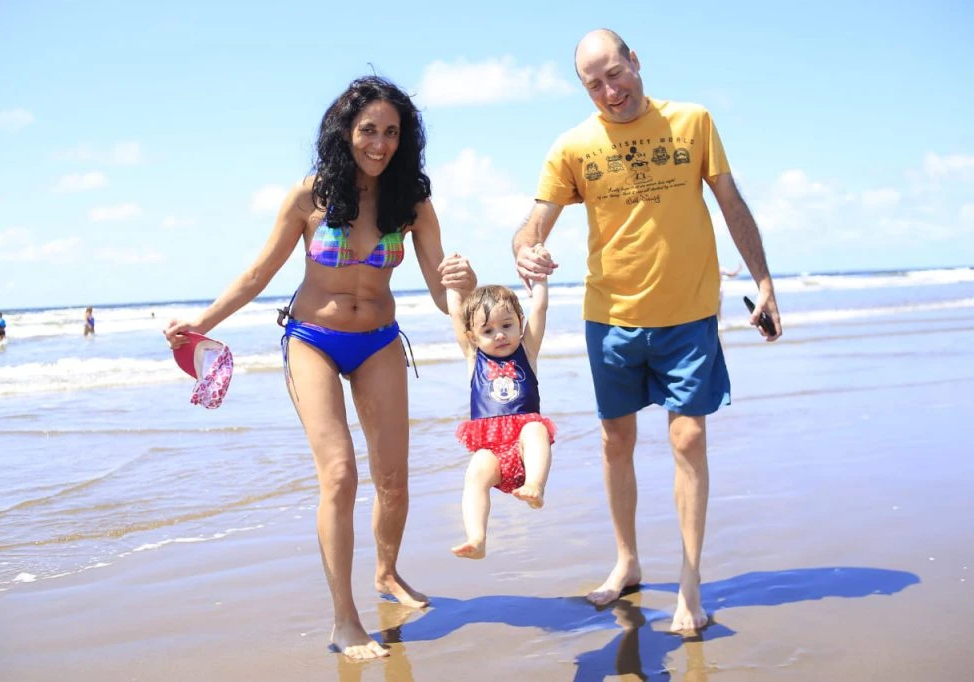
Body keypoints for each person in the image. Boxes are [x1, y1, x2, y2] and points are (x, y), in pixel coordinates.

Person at [163, 76, 476, 660]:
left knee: (394, 484)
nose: (379, 144)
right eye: (368, 131)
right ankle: (344, 620)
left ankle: (386, 573)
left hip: (380, 341)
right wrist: (200, 323)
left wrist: (466, 285)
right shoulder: (310, 196)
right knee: (338, 475)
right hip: (312, 340)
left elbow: (443, 293)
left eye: (390, 132)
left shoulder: (412, 201)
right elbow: (257, 276)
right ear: (344, 132)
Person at [513, 29, 782, 633]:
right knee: (616, 442)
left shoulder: (693, 123)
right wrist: (527, 251)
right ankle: (627, 560)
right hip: (610, 319)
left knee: (687, 439)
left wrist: (764, 281)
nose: (611, 90)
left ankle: (689, 585)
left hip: (688, 315)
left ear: (636, 61)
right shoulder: (573, 146)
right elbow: (531, 228)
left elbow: (731, 204)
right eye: (595, 83)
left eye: (616, 72)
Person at [447, 273, 556, 559]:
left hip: (525, 452)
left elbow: (540, 309)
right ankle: (477, 538)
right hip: (493, 452)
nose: (499, 335)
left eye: (507, 325)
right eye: (488, 330)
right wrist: (451, 287)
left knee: (535, 428)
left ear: (520, 322)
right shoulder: (474, 358)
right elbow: (455, 314)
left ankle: (535, 486)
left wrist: (540, 282)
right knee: (475, 474)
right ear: (473, 337)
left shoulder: (527, 351)